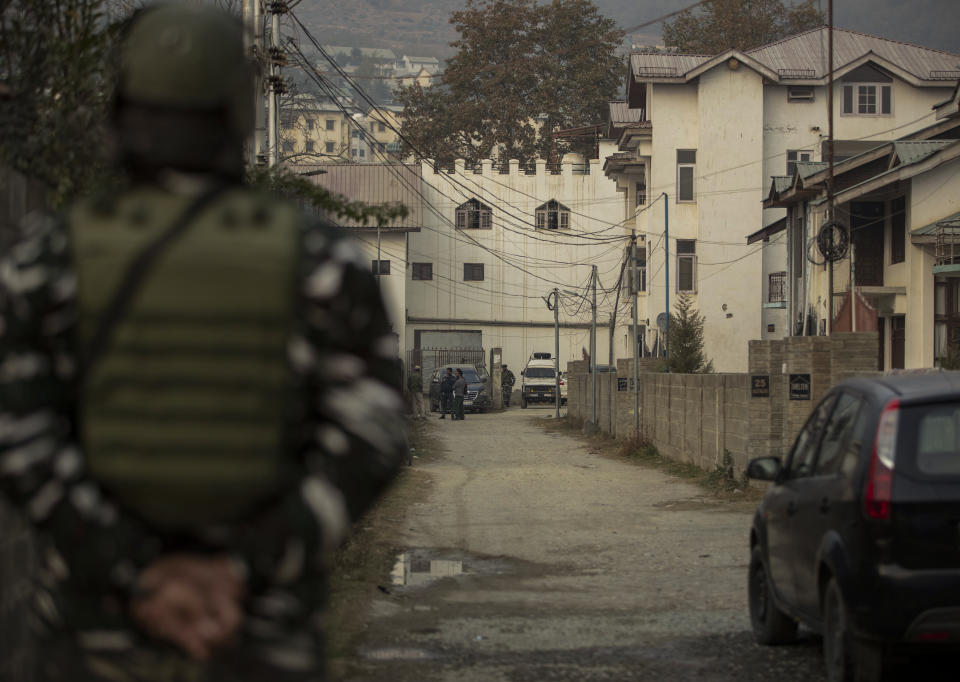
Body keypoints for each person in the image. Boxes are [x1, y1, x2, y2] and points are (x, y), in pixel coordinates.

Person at [0, 4, 406, 681]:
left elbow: (18, 434)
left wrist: (136, 571)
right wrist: (239, 569)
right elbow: (375, 433)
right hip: (253, 633)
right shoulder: (319, 262)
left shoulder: (48, 261)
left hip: (89, 632)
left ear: (119, 110)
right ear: (241, 113)